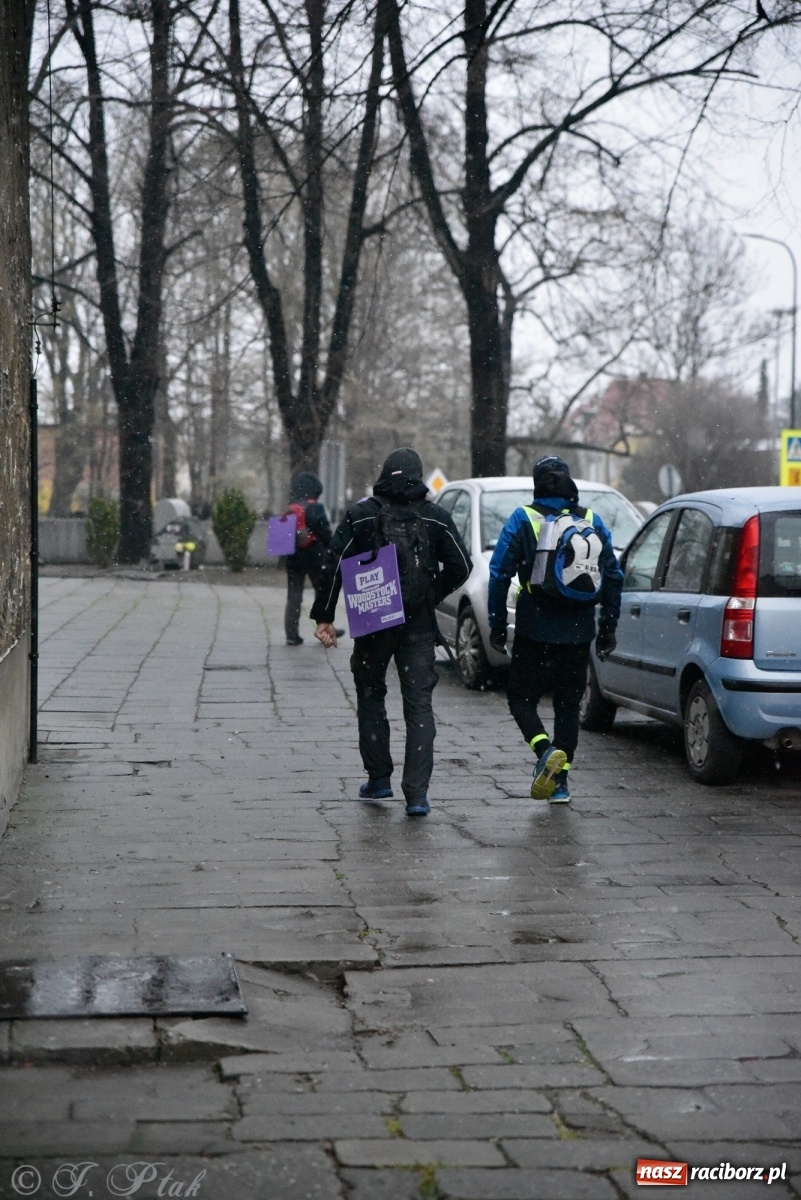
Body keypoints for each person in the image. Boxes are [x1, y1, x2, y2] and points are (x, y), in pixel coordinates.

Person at [311, 448, 472, 816]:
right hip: (417, 623)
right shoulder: (435, 518)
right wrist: (429, 592)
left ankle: (379, 779)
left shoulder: (360, 515)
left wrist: (324, 616)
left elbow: (333, 565)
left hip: (373, 622)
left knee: (371, 694)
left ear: (385, 474)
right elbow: (462, 565)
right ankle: (417, 795)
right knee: (419, 705)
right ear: (418, 478)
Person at [487, 456, 623, 804]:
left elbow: (500, 573)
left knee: (521, 699)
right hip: (579, 629)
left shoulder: (523, 518)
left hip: (534, 625)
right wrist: (607, 627)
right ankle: (560, 784)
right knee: (567, 705)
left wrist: (498, 625)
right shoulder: (591, 519)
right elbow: (613, 576)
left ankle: (544, 749)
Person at [282, 471, 335, 646]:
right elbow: (325, 533)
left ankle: (291, 634)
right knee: (321, 593)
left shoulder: (290, 508)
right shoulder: (316, 507)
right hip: (314, 556)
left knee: (294, 596)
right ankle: (325, 629)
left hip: (293, 558)